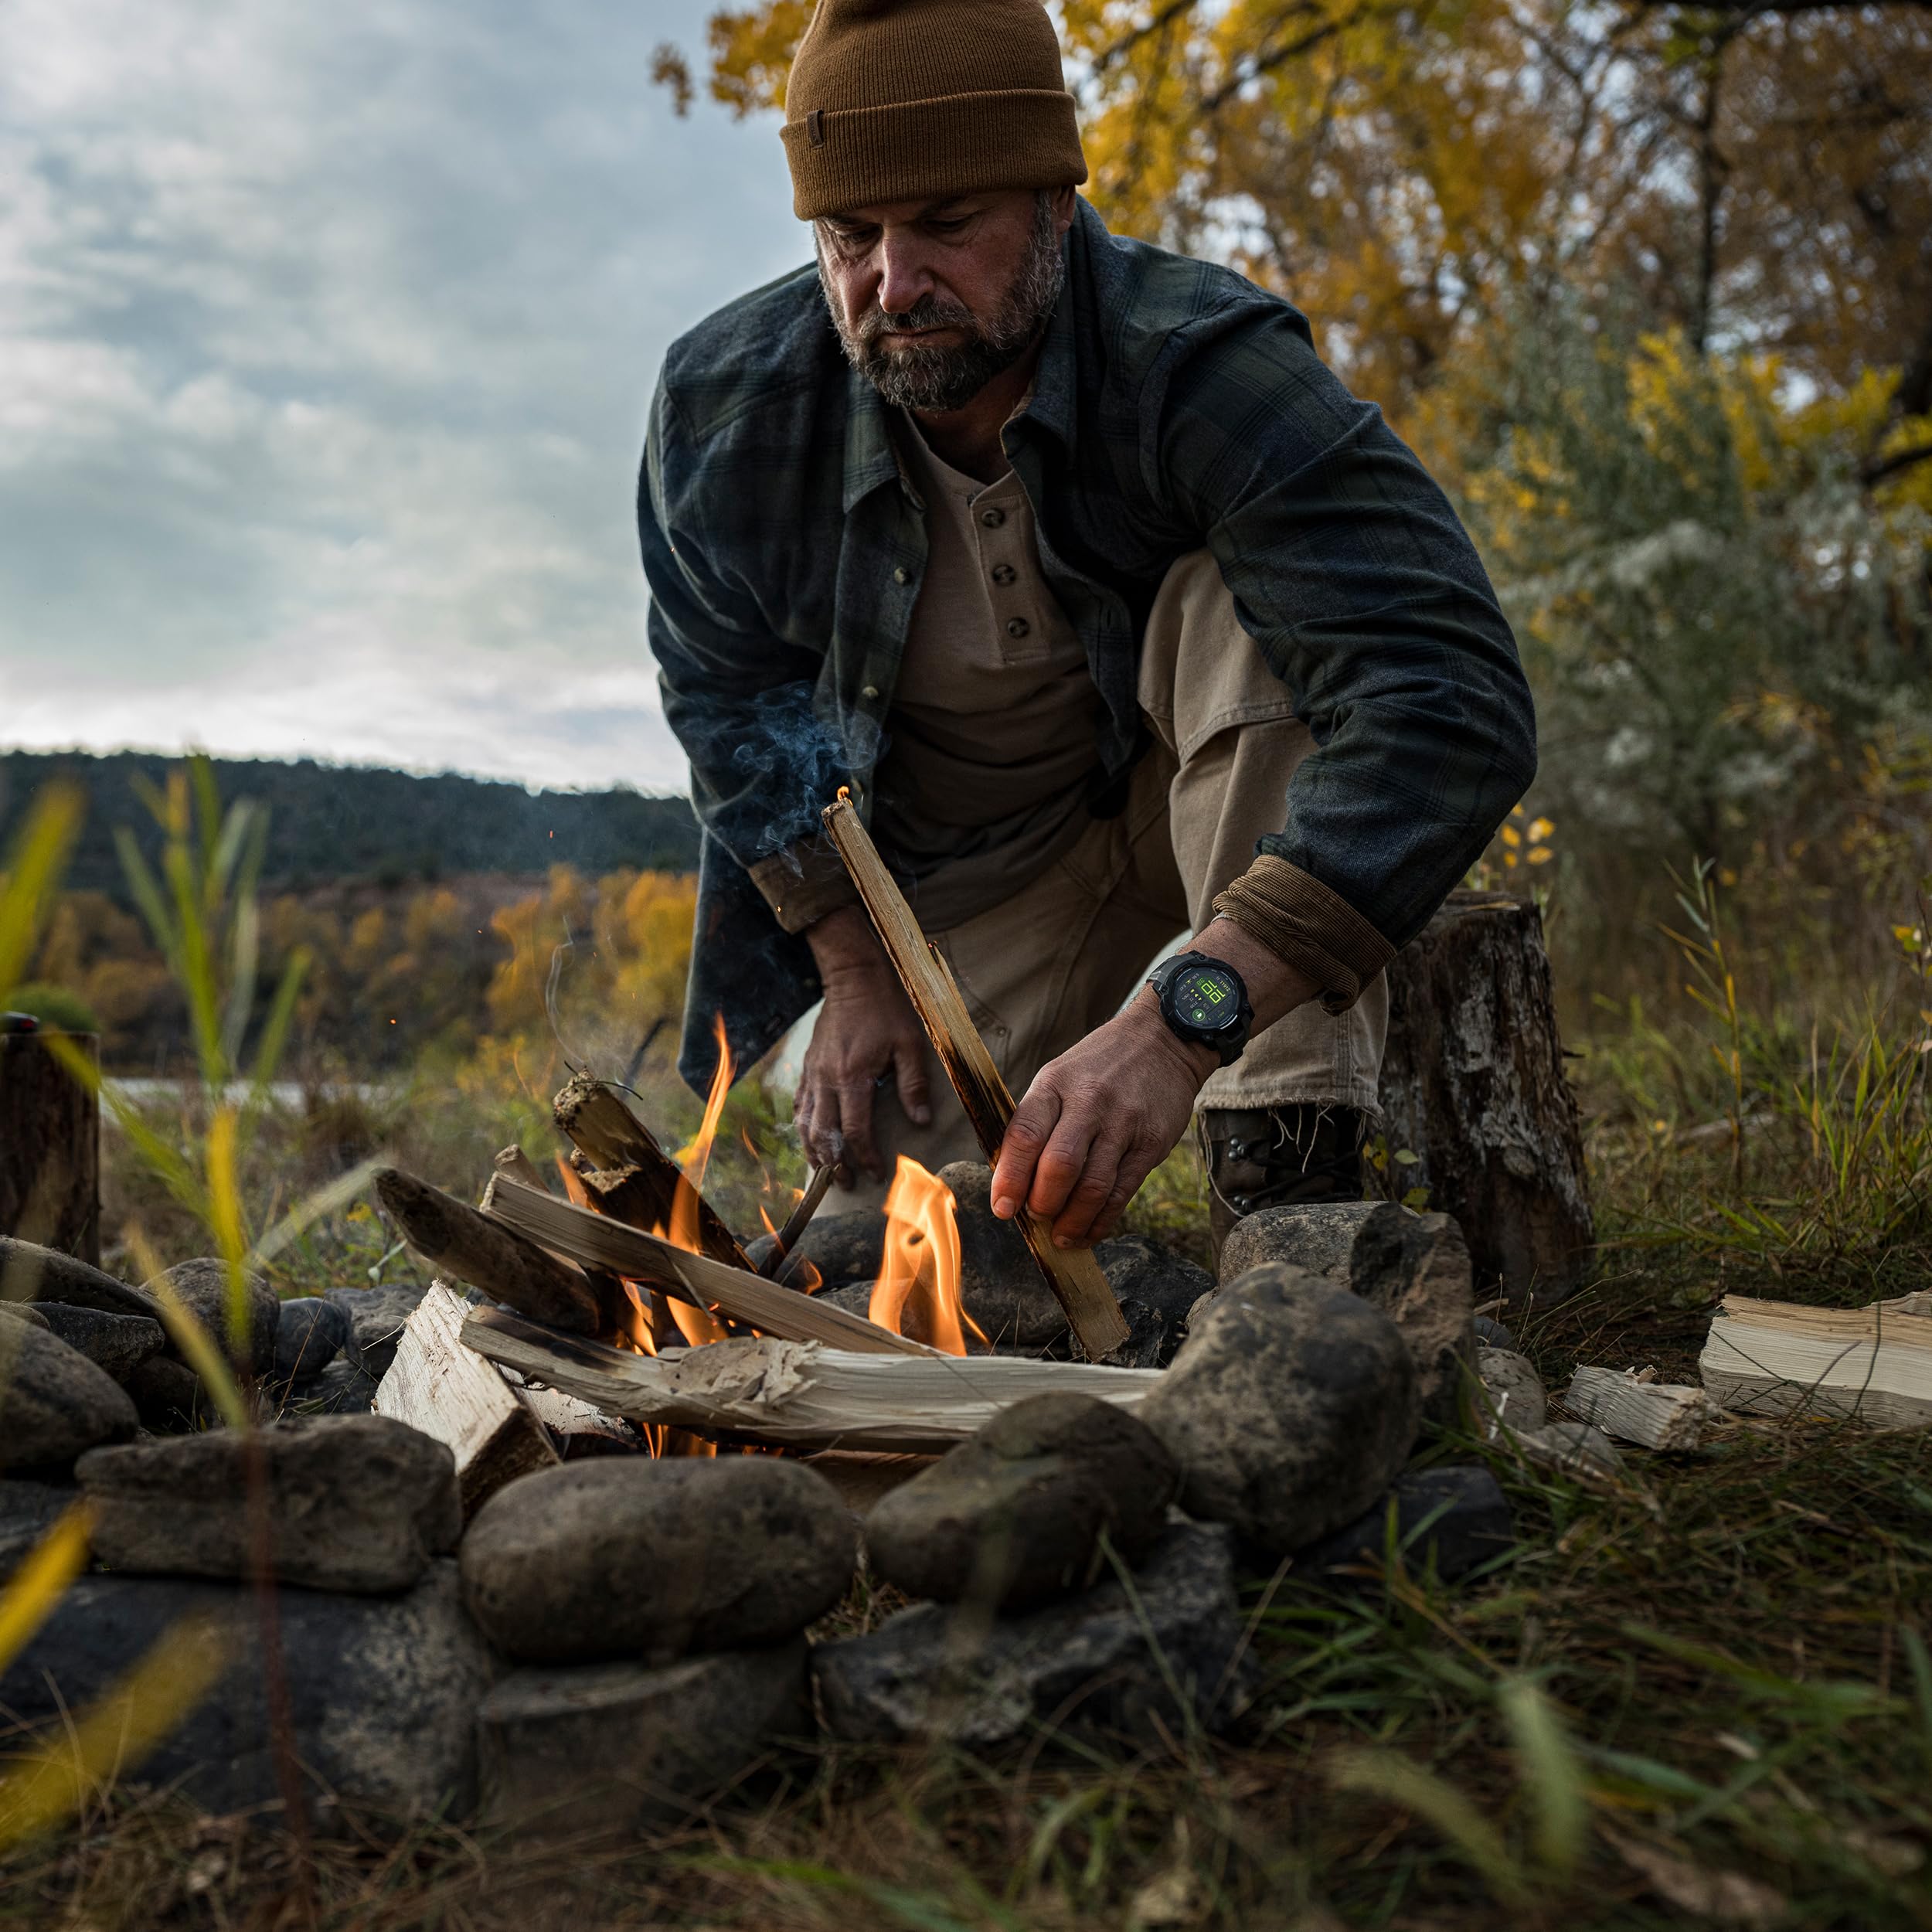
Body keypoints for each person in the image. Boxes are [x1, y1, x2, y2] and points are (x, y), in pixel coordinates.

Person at [641, 0, 1536, 1258]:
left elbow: (1452, 695)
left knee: (1244, 609)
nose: (892, 283)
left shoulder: (1199, 363)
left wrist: (1177, 1024)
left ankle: (1287, 1177)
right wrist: (854, 967)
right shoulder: (725, 409)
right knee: (888, 1248)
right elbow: (726, 698)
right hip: (975, 872)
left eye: (948, 222)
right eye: (851, 235)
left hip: (1213, 812)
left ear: (1056, 202)